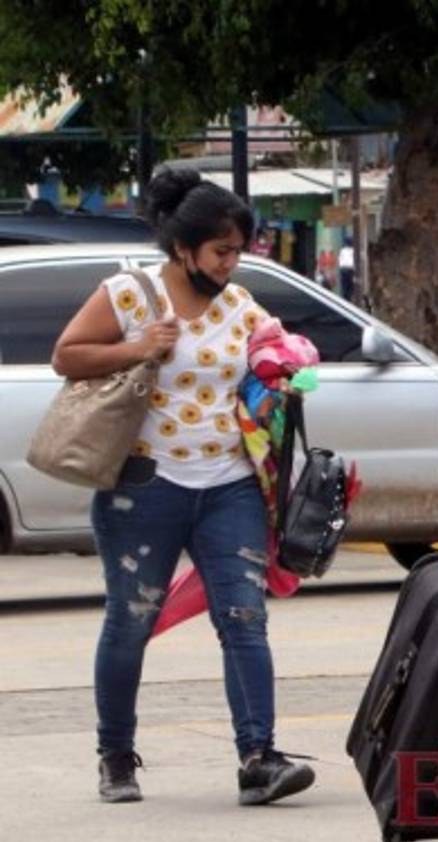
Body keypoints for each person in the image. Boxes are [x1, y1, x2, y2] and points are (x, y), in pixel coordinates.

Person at [51, 167, 315, 807]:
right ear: (182, 247)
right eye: (222, 251)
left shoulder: (240, 304)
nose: (232, 263)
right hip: (145, 487)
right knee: (131, 621)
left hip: (231, 485)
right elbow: (68, 355)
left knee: (244, 620)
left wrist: (291, 366)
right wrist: (138, 346)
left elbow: (272, 365)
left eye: (238, 251)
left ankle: (260, 757)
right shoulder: (130, 295)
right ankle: (116, 756)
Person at [338, 235, 355, 300]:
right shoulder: (353, 250)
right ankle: (349, 299)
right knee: (351, 287)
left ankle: (346, 299)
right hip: (350, 270)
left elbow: (340, 260)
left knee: (345, 287)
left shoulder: (343, 250)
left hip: (343, 270)